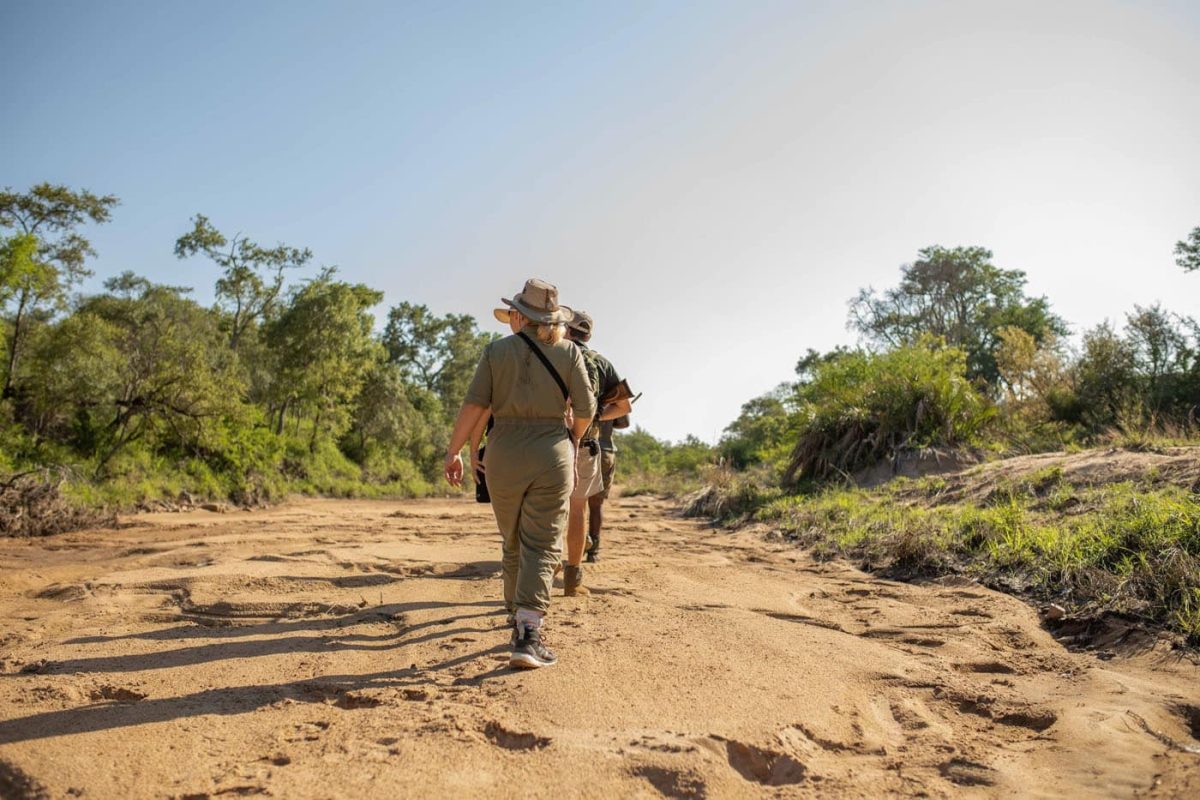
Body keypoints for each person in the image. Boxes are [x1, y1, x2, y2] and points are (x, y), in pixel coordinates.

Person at [444, 278, 594, 669]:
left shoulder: (495, 352)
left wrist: (455, 451)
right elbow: (585, 411)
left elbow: (475, 406)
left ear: (521, 315)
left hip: (503, 452)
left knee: (512, 539)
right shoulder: (570, 354)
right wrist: (572, 440)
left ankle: (515, 614)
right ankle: (528, 633)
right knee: (542, 543)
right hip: (551, 452)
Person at [561, 310, 632, 594]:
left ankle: (543, 565)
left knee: (547, 508)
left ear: (566, 329)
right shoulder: (602, 363)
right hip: (587, 445)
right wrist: (594, 415)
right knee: (580, 508)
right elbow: (624, 409)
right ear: (588, 335)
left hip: (546, 442)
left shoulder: (554, 353)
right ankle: (573, 577)